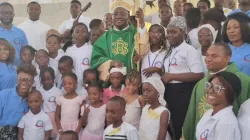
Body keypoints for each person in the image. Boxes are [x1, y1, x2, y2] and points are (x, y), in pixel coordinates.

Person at [183, 43, 250, 140]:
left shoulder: (244, 81)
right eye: (207, 55)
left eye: (214, 56)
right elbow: (191, 118)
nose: (208, 59)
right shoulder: (200, 84)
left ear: (227, 58)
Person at [162, 16, 204, 139]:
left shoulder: (189, 50)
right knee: (170, 124)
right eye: (168, 32)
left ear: (183, 32)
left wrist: (171, 77)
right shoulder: (170, 51)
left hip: (182, 92)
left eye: (174, 32)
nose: (170, 35)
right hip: (169, 91)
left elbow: (198, 74)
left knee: (180, 124)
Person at [91, 0, 147, 81]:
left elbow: (143, 48)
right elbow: (96, 59)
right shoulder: (104, 37)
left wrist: (136, 59)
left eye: (122, 14)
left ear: (128, 15)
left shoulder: (136, 34)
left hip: (131, 82)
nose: (118, 17)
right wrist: (110, 63)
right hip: (112, 84)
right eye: (115, 14)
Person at [196, 71, 241, 140]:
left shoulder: (226, 122)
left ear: (230, 93)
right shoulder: (209, 113)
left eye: (217, 88)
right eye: (209, 85)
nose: (210, 91)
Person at [0, 64, 36, 139]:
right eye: (20, 79)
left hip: (23, 134)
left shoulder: (33, 99)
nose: (23, 82)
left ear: (33, 82)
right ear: (16, 79)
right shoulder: (3, 95)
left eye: (28, 80)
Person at [55, 72, 84, 138]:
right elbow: (57, 115)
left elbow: (82, 116)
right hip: (63, 127)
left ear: (76, 84)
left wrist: (78, 129)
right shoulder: (60, 99)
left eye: (70, 83)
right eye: (64, 84)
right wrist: (59, 128)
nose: (67, 86)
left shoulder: (80, 99)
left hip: (75, 127)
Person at [37, 67, 63, 138]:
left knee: (53, 136)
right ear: (40, 79)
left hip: (54, 119)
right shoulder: (38, 91)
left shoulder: (58, 92)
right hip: (41, 118)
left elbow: (60, 108)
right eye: (43, 79)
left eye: (48, 79)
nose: (46, 82)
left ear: (53, 78)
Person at [65, 23, 92, 89]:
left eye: (83, 31)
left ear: (87, 34)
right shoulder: (69, 50)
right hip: (73, 84)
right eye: (77, 31)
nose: (80, 33)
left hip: (88, 83)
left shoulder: (91, 48)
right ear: (73, 34)